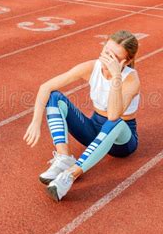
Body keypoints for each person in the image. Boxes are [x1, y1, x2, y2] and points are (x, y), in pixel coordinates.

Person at [23, 30, 140, 202]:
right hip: (94, 130)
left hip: (122, 141)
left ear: (127, 61)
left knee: (114, 122)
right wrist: (35, 121)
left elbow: (114, 114)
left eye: (114, 56)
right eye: (106, 51)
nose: (107, 58)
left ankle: (70, 175)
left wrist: (116, 76)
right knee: (55, 97)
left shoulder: (131, 79)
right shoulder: (92, 67)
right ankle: (64, 158)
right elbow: (45, 88)